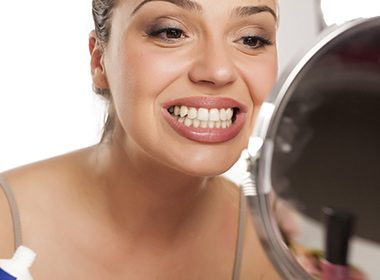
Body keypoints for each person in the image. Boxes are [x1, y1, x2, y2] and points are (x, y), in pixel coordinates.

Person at [0, 0, 280, 279]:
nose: (219, 71)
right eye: (171, 32)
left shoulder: (283, 253)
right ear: (99, 61)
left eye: (251, 39)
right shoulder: (6, 223)